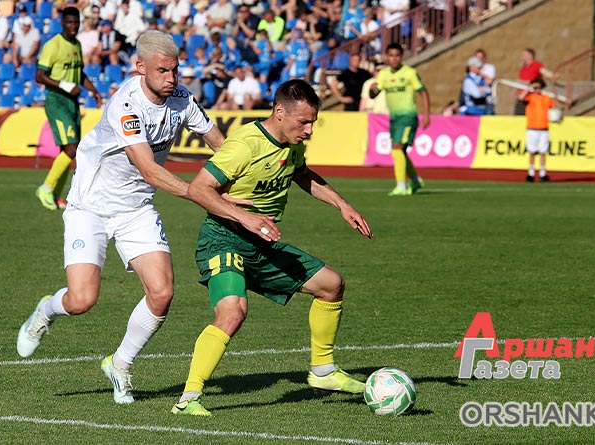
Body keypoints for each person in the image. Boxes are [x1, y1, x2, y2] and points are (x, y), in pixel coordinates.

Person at [16, 30, 228, 405]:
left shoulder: (181, 99)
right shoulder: (125, 105)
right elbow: (149, 170)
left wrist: (245, 175)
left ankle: (120, 363)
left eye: (175, 70)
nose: (171, 79)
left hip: (136, 209)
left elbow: (221, 146)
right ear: (140, 66)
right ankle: (46, 310)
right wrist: (201, 194)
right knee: (82, 300)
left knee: (162, 294)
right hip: (90, 208)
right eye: (162, 71)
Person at [171, 79, 373, 416]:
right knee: (232, 312)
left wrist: (342, 204)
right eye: (303, 122)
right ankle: (188, 398)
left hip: (262, 244)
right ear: (279, 112)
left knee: (331, 284)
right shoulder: (245, 145)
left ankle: (323, 371)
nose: (309, 130)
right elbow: (199, 189)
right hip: (223, 239)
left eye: (313, 122)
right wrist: (246, 218)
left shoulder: (291, 144)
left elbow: (301, 174)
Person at [34, 7, 102, 211]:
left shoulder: (77, 44)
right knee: (72, 148)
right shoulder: (53, 45)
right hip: (57, 100)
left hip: (72, 102)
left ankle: (55, 194)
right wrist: (65, 85)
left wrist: (93, 90)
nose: (73, 26)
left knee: (68, 151)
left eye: (76, 23)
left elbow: (79, 73)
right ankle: (46, 188)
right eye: (69, 22)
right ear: (62, 23)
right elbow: (40, 76)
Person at [369, 43, 431, 196]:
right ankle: (415, 180)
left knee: (396, 148)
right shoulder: (383, 74)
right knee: (400, 150)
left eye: (397, 55)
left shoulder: (410, 73)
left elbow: (423, 92)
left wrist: (426, 115)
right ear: (387, 57)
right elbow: (374, 94)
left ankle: (401, 186)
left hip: (408, 117)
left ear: (401, 56)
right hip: (395, 118)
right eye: (391, 56)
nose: (394, 59)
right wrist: (372, 90)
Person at [518, 77, 554, 183]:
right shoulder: (530, 97)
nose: (537, 89)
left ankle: (543, 173)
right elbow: (521, 97)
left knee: (543, 152)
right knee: (532, 151)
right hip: (532, 128)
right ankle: (531, 173)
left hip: (544, 128)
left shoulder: (547, 98)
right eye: (535, 87)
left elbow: (553, 111)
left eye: (538, 87)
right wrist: (529, 88)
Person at [514, 48, 553, 115]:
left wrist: (553, 76)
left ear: (530, 56)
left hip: (531, 98)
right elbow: (520, 80)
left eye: (524, 54)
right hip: (522, 97)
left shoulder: (536, 65)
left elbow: (545, 72)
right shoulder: (523, 67)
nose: (522, 56)